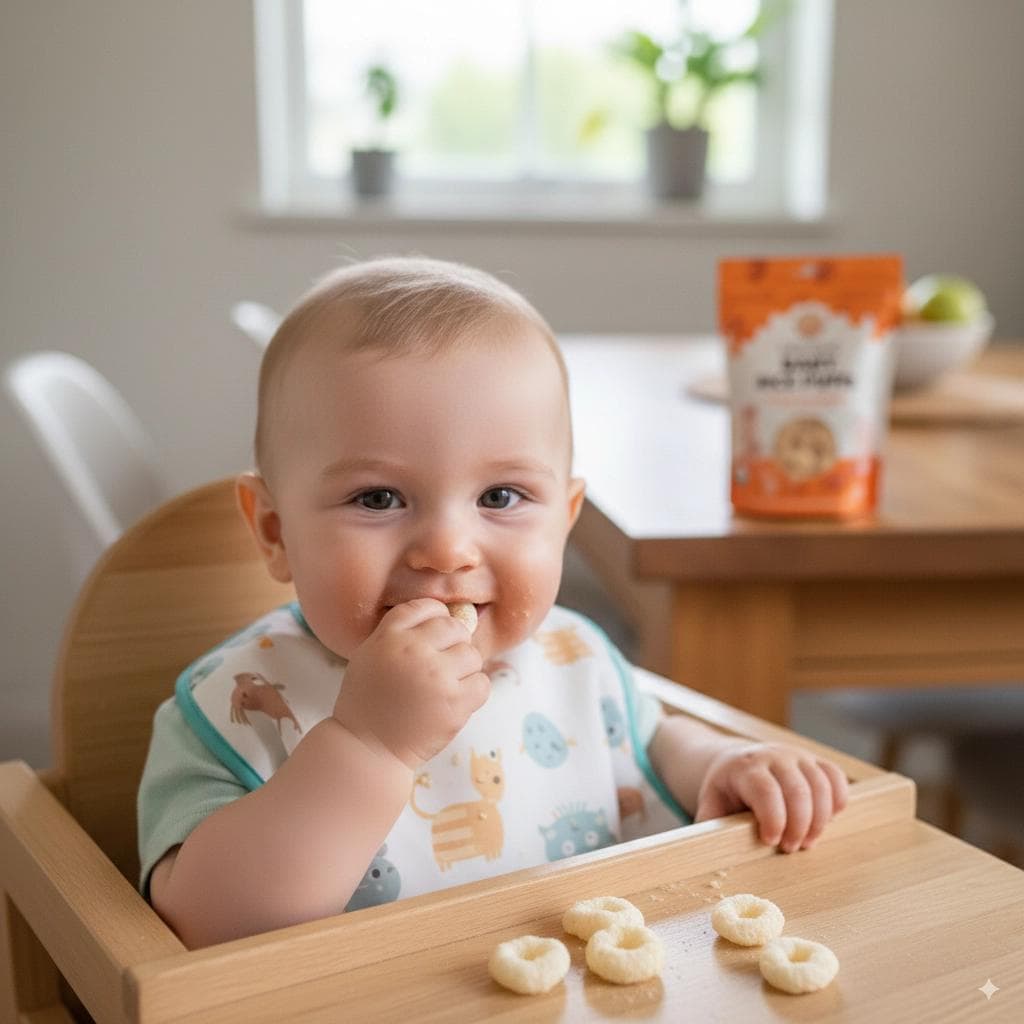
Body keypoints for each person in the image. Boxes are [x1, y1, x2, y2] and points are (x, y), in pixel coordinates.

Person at [138, 257, 848, 948]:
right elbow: (207, 927)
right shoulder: (233, 705)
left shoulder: (571, 655)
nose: (448, 548)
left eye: (501, 497)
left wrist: (722, 765)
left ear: (564, 517)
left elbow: (649, 742)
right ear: (274, 530)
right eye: (378, 498)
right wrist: (370, 745)